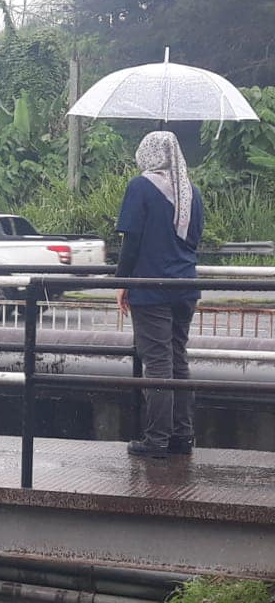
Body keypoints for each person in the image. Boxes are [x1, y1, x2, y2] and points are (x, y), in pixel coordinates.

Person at [116, 130, 204, 459]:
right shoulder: (191, 192)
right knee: (178, 359)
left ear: (148, 154)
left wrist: (121, 282)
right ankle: (182, 435)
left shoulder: (140, 187)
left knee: (156, 364)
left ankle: (156, 440)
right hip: (185, 288)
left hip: (151, 289)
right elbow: (195, 238)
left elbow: (131, 241)